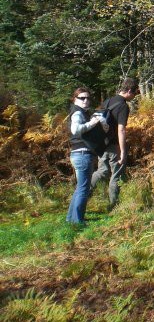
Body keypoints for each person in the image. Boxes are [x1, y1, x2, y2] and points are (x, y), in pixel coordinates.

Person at [91, 78, 138, 210]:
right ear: (129, 90)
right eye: (134, 93)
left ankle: (83, 193)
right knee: (116, 174)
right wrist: (122, 151)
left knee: (102, 171)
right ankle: (114, 205)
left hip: (103, 143)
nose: (134, 96)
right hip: (114, 146)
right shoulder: (123, 106)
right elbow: (121, 129)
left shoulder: (108, 101)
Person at [67, 87, 107, 224]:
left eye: (88, 98)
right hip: (82, 154)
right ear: (75, 99)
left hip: (79, 154)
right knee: (84, 188)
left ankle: (71, 219)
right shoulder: (77, 113)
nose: (85, 100)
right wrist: (93, 122)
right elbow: (76, 130)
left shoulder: (82, 112)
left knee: (80, 187)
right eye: (82, 98)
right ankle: (78, 221)